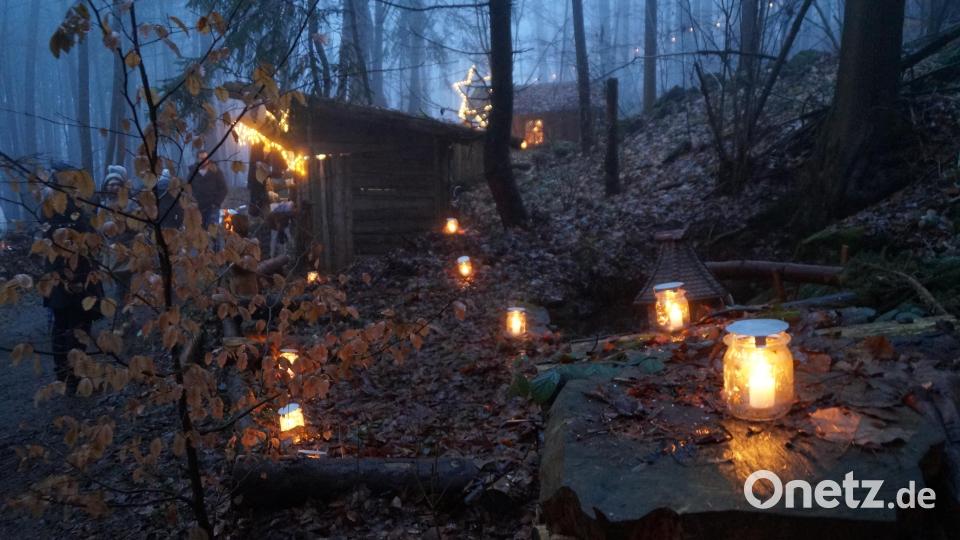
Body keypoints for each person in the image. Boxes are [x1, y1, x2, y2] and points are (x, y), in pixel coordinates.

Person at [42, 163, 104, 389]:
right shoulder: (60, 206)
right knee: (73, 326)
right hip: (71, 277)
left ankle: (68, 374)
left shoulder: (59, 205)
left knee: (67, 325)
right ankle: (72, 376)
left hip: (70, 276)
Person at [191, 151, 228, 228]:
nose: (203, 161)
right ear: (197, 159)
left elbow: (223, 189)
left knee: (213, 233)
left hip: (212, 208)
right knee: (200, 233)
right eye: (201, 158)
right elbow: (188, 188)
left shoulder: (215, 171)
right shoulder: (192, 172)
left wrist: (216, 203)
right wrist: (192, 201)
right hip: (198, 208)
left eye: (205, 158)